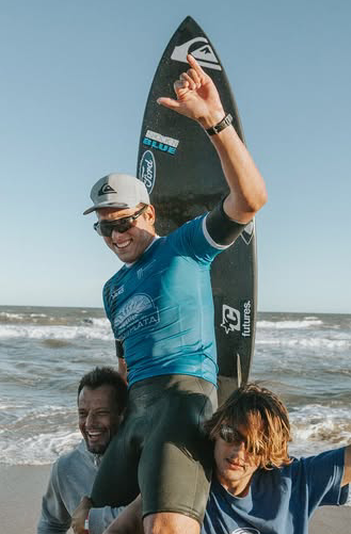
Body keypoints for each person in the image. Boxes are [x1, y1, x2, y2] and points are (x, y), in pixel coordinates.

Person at [77, 54, 267, 534]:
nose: (116, 236)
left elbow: (251, 200)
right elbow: (123, 363)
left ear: (148, 214)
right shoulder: (112, 289)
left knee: (166, 527)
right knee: (87, 522)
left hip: (183, 396)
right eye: (104, 229)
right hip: (137, 409)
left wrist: (214, 122)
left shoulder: (183, 248)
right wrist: (110, 416)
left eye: (123, 223)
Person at [104, 356, 351, 534]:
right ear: (216, 430)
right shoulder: (189, 479)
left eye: (255, 446)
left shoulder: (293, 482)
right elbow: (127, 525)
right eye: (232, 436)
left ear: (269, 454)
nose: (239, 453)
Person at [37, 367, 128, 534]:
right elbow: (51, 524)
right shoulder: (65, 468)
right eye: (83, 413)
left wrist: (89, 520)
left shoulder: (143, 461)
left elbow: (157, 518)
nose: (89, 423)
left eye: (101, 413)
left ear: (122, 414)